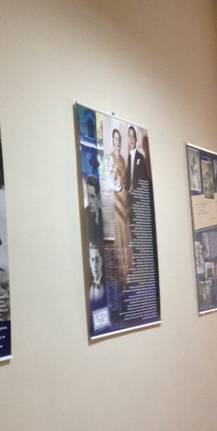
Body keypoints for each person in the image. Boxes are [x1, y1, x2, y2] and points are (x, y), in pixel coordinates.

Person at [108, 128, 132, 286]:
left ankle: (126, 272)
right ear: (112, 141)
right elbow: (109, 180)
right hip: (116, 200)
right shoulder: (111, 158)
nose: (118, 142)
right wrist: (116, 185)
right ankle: (120, 273)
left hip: (124, 199)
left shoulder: (123, 160)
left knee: (125, 232)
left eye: (119, 139)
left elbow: (126, 180)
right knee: (119, 233)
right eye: (115, 139)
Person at [84, 174, 103, 245]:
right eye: (88, 196)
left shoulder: (102, 214)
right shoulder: (84, 214)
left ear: (98, 197)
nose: (89, 201)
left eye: (92, 196)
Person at [88, 240, 106, 308]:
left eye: (97, 260)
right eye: (92, 260)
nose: (95, 265)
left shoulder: (106, 286)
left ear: (101, 261)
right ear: (90, 263)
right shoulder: (90, 289)